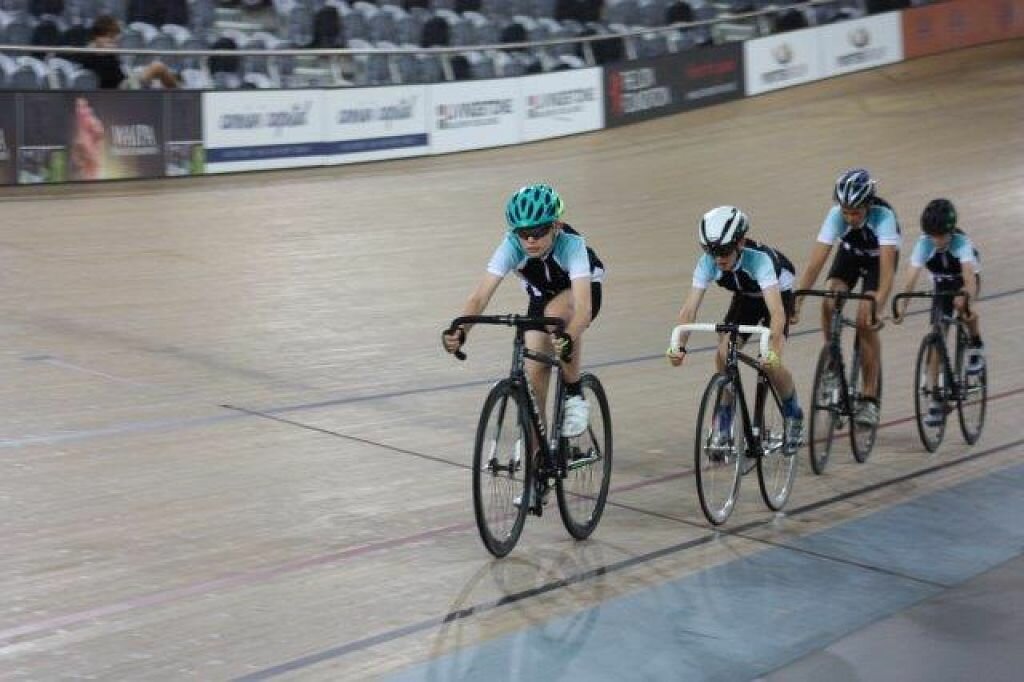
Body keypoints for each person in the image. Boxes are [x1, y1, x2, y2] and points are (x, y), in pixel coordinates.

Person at [442, 183, 605, 439]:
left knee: (557, 314)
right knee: (534, 379)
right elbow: (480, 296)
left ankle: (574, 395)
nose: (530, 240)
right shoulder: (510, 246)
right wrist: (461, 330)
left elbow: (583, 310)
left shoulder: (572, 245)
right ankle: (538, 454)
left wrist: (568, 338)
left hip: (582, 290)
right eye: (523, 233)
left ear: (556, 225)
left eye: (538, 232)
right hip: (542, 295)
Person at [667, 206, 803, 454]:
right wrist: (678, 345)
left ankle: (793, 413)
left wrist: (772, 351)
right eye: (711, 251)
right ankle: (724, 420)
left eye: (724, 251)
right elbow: (689, 310)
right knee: (723, 353)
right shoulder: (707, 263)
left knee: (770, 363)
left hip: (776, 295)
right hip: (746, 296)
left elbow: (777, 313)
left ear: (740, 243)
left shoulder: (759, 260)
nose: (718, 258)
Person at [791, 168, 900, 427]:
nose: (850, 218)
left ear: (868, 206)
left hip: (877, 263)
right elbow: (815, 264)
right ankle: (833, 360)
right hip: (850, 255)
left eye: (856, 213)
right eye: (846, 212)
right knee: (829, 299)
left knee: (864, 319)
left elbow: (887, 274)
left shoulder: (884, 218)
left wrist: (878, 307)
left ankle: (869, 398)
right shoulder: (835, 216)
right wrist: (797, 301)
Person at [894, 199, 984, 424]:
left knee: (962, 305)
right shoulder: (923, 244)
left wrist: (966, 297)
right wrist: (902, 307)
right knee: (937, 336)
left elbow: (969, 281)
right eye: (931, 235)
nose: (936, 240)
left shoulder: (961, 243)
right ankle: (936, 398)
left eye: (941, 236)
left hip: (964, 280)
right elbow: (910, 279)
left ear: (950, 231)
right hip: (942, 286)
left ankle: (975, 343)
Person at [75, 15, 179, 90]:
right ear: (97, 36)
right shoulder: (91, 52)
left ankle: (178, 93)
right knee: (157, 67)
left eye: (114, 37)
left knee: (162, 74)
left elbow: (118, 73)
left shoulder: (108, 53)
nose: (112, 41)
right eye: (109, 37)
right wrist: (102, 51)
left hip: (125, 82)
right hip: (121, 91)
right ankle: (181, 97)